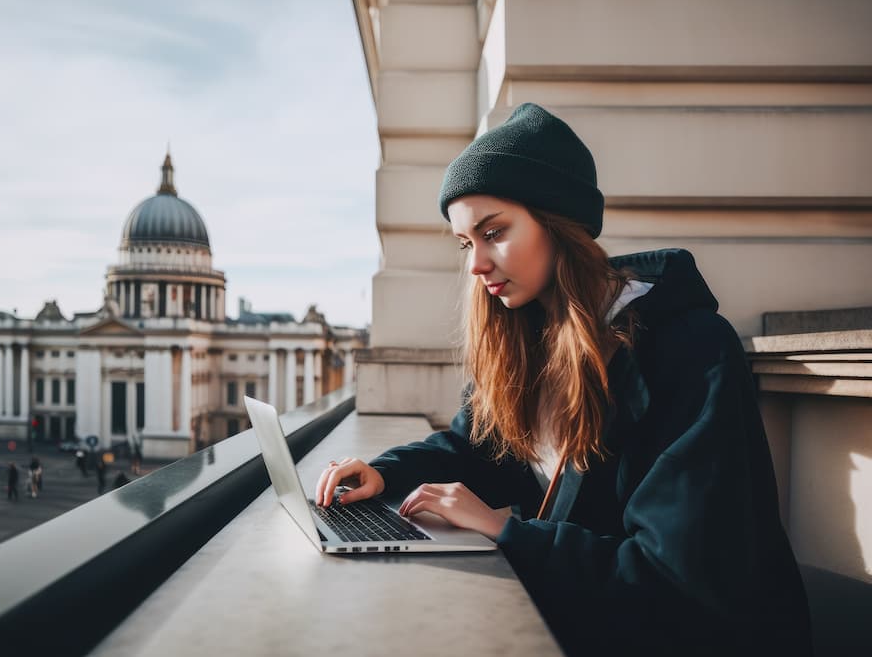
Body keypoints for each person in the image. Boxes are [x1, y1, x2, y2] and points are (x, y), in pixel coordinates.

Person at [314, 104, 812, 656]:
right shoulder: (526, 340)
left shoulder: (688, 350)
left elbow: (676, 579)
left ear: (558, 223)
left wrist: (505, 531)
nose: (476, 265)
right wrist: (384, 473)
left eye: (494, 232)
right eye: (465, 243)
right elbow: (473, 446)